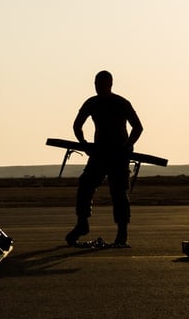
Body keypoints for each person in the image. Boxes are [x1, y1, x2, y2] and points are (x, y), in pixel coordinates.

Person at [66, 70, 143, 247]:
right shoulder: (92, 103)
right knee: (85, 185)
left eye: (100, 84)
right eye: (96, 84)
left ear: (110, 84)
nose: (97, 87)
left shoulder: (121, 103)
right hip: (99, 154)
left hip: (118, 156)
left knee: (119, 193)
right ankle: (82, 224)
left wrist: (127, 146)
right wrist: (84, 143)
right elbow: (77, 125)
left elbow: (138, 127)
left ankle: (122, 233)